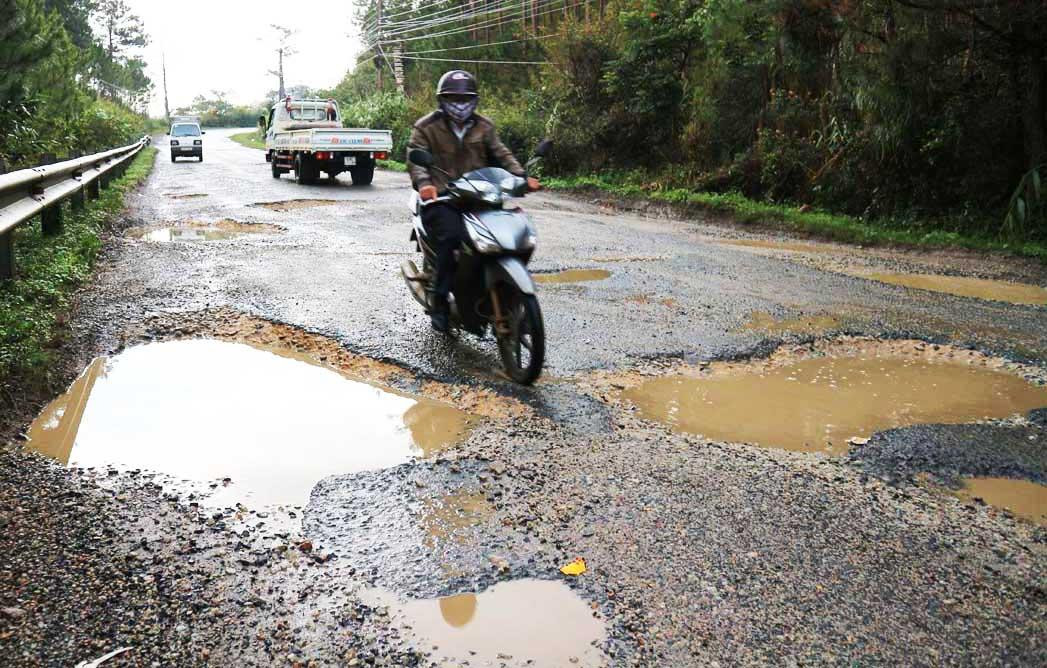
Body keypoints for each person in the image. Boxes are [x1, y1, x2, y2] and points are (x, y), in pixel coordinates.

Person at [407, 70, 540, 332]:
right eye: (453, 98)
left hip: (481, 197)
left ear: (474, 99)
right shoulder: (426, 127)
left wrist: (522, 177)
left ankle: (509, 294)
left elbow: (502, 154)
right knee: (451, 238)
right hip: (443, 199)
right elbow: (416, 158)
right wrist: (425, 185)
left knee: (516, 235)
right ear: (442, 100)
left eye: (465, 98)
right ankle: (440, 303)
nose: (459, 103)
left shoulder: (484, 126)